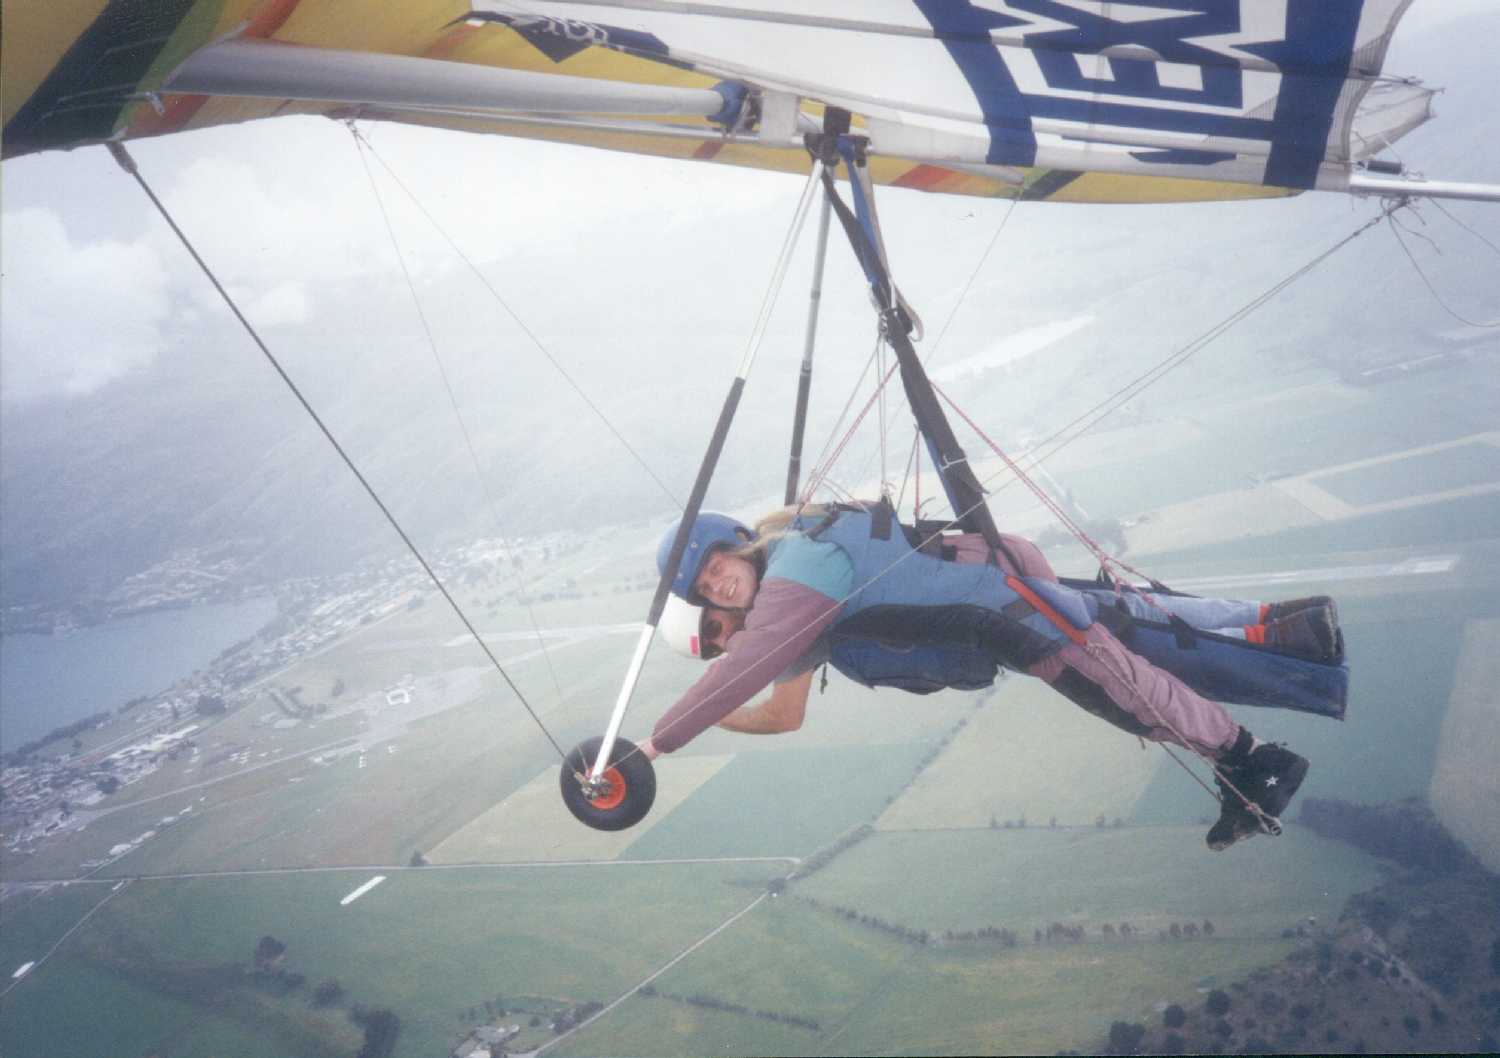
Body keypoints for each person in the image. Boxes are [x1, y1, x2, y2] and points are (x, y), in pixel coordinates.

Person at [644, 500, 1325, 850]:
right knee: (1137, 629)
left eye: (718, 569)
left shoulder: (798, 573)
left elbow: (752, 664)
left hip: (1003, 610)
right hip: (999, 592)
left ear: (737, 544)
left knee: (1120, 688)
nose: (723, 590)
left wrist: (655, 743)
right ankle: (1290, 630)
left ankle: (1254, 760)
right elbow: (778, 701)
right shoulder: (799, 581)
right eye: (710, 592)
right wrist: (725, 708)